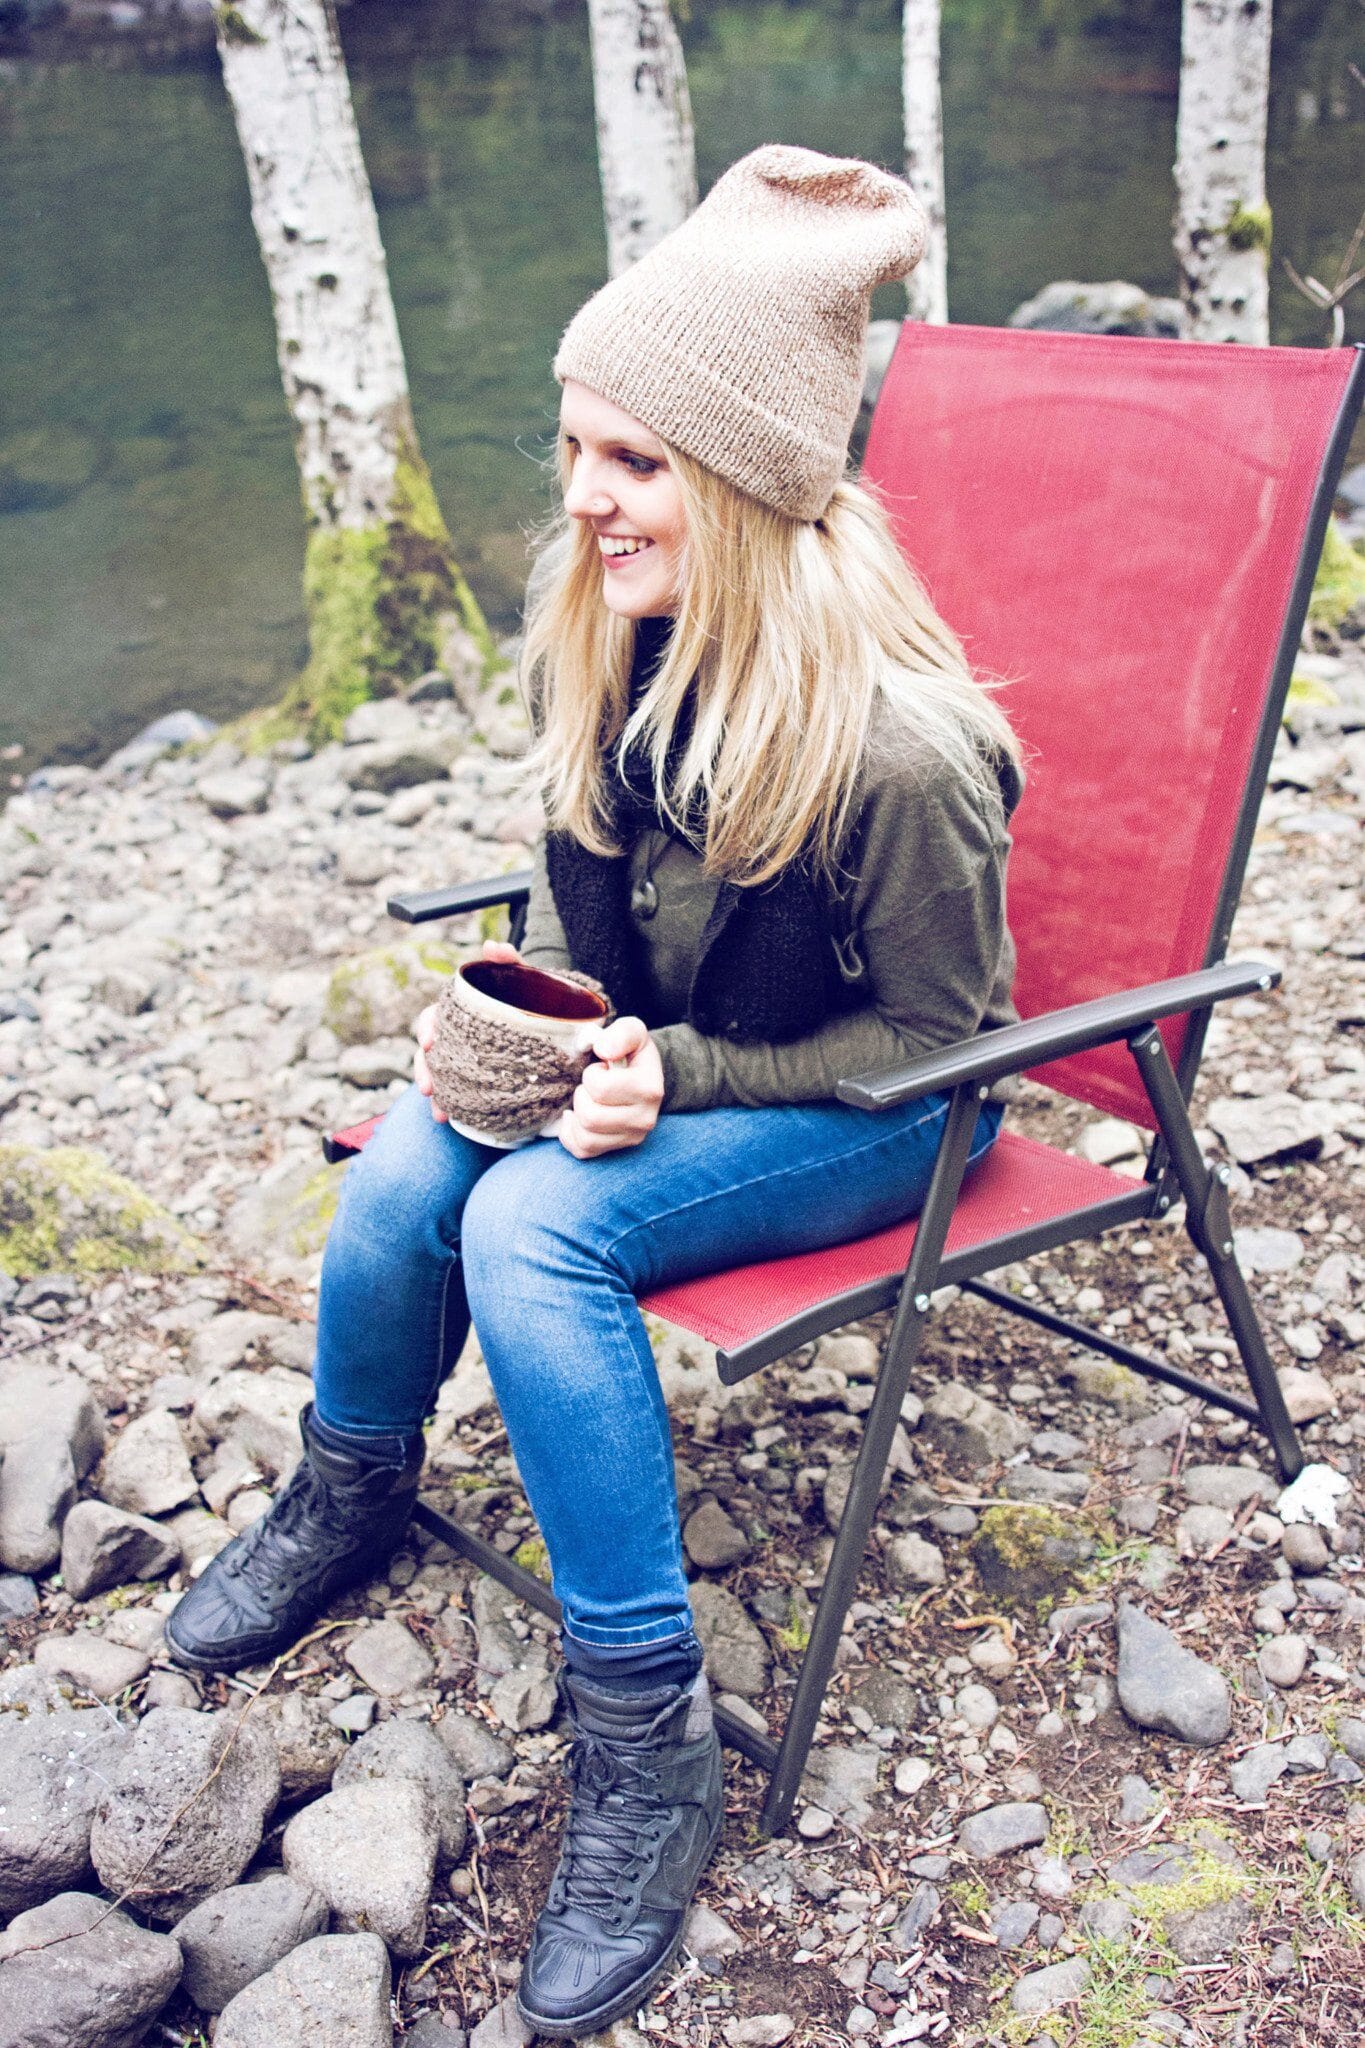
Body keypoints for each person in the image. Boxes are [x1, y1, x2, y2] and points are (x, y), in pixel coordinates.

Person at [167, 145, 1024, 2036]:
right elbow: (609, 933)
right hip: (684, 1085)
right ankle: (350, 1489)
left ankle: (649, 1748)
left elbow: (950, 1046)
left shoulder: (898, 753)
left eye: (633, 461)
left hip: (889, 1116)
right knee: (411, 1171)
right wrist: (534, 1038)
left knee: (536, 1224)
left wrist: (679, 1074)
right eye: (575, 445)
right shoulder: (617, 643)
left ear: (739, 474)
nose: (581, 495)